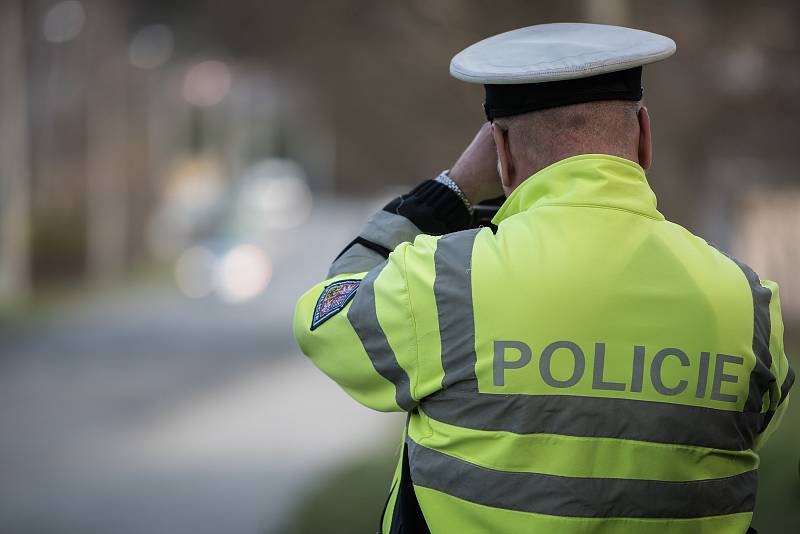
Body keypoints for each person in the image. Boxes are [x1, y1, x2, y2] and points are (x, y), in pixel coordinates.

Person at [293, 23, 794, 533]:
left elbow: (325, 316)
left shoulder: (445, 282)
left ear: (501, 154)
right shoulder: (746, 300)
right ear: (644, 136)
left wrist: (451, 190)